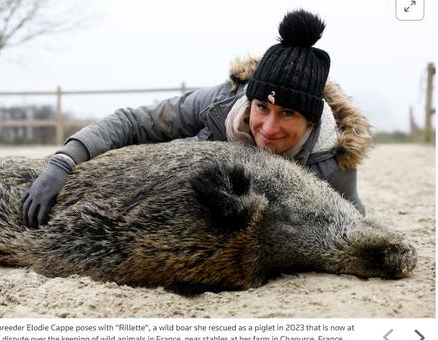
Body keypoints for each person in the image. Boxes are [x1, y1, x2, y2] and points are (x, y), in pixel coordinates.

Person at [22, 9, 372, 228]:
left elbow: (352, 221)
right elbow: (134, 121)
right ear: (249, 101)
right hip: (146, 181)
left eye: (287, 114)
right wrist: (64, 161)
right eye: (262, 108)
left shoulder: (331, 163)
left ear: (311, 122)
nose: (267, 128)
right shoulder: (219, 104)